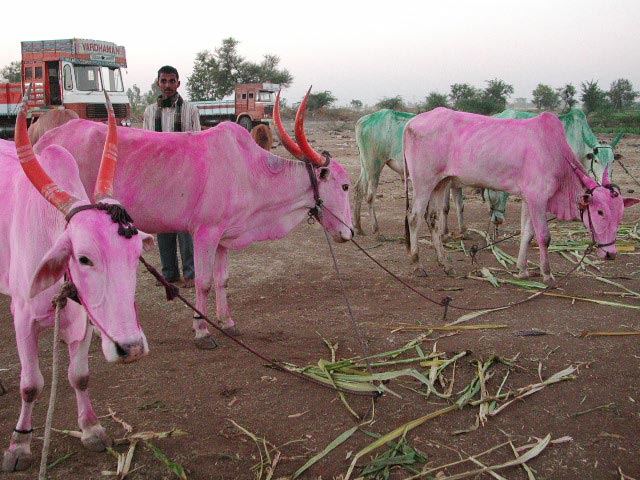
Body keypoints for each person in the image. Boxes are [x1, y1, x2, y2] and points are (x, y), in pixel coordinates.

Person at [143, 65, 200, 289]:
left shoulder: (190, 111)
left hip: (185, 175)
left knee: (185, 228)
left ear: (178, 83)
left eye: (171, 81)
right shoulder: (150, 112)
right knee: (163, 226)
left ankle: (191, 274)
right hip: (159, 178)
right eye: (164, 81)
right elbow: (146, 145)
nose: (167, 85)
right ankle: (169, 274)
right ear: (158, 83)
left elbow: (197, 143)